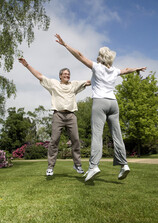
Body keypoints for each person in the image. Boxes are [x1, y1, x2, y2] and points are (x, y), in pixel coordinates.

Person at [55, 33, 147, 182]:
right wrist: (137, 69)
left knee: (97, 135)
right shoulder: (114, 70)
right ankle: (124, 164)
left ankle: (93, 167)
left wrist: (65, 45)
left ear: (100, 57)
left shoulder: (96, 67)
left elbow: (79, 55)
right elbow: (126, 69)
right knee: (117, 135)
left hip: (100, 102)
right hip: (113, 103)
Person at [19, 58, 91, 176]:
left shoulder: (74, 84)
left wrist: (102, 72)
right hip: (58, 115)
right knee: (54, 140)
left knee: (76, 140)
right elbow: (40, 76)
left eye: (68, 74)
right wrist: (27, 65)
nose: (67, 76)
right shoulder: (53, 84)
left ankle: (77, 165)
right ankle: (50, 167)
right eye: (65, 74)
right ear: (60, 76)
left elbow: (89, 82)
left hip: (71, 115)